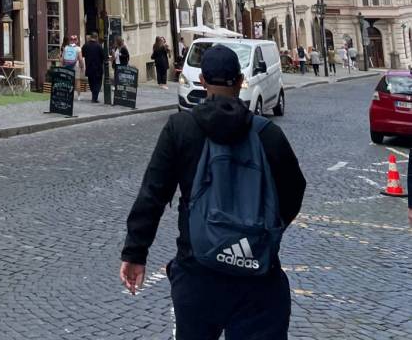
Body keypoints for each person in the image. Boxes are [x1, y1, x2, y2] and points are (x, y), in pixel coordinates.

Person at [120, 45, 306, 340]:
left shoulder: (181, 128)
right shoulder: (267, 134)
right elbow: (294, 190)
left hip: (197, 271)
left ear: (202, 80)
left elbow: (153, 193)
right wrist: (265, 230)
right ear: (240, 80)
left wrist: (135, 252)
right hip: (257, 275)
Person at [81, 32, 105, 103]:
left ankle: (94, 97)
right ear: (96, 37)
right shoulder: (99, 46)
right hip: (98, 68)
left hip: (89, 67)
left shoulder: (85, 45)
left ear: (91, 37)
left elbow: (82, 54)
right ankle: (94, 98)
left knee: (91, 82)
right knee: (98, 83)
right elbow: (103, 57)